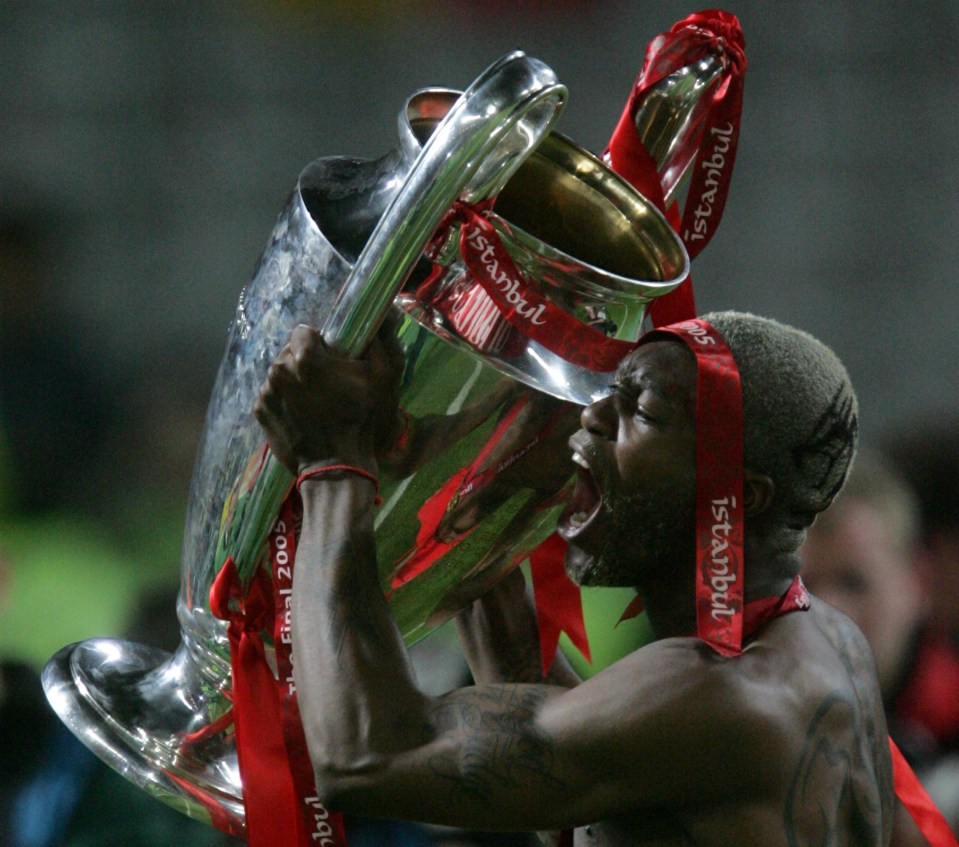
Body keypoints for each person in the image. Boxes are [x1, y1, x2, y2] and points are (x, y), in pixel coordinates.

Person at [253, 310, 890, 845]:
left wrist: (331, 464)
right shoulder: (821, 639)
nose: (593, 417)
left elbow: (367, 757)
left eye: (640, 410)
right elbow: (559, 745)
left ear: (740, 497)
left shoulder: (726, 698)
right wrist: (442, 458)